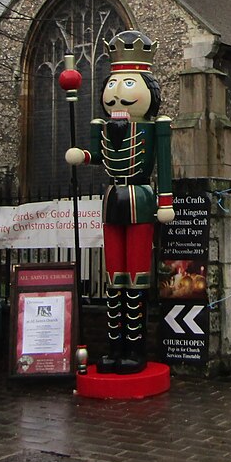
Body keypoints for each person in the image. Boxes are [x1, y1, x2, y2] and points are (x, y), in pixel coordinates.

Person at [66, 30, 173, 374]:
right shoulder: (103, 125)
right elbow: (97, 155)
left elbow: (166, 167)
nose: (117, 95)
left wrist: (165, 201)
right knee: (114, 278)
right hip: (113, 200)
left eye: (128, 85)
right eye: (113, 85)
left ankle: (135, 349)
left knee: (136, 278)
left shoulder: (156, 127)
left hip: (141, 200)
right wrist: (80, 155)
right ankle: (113, 347)